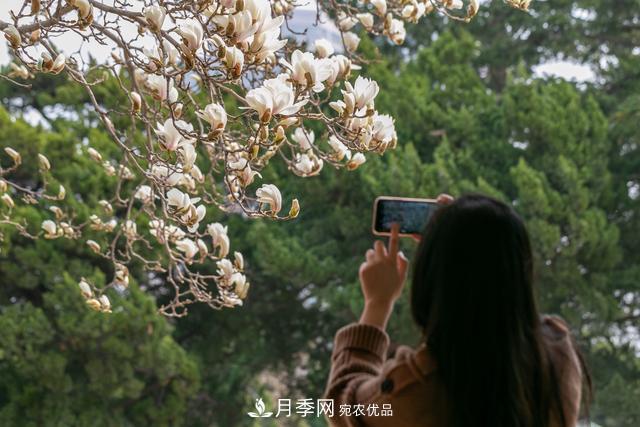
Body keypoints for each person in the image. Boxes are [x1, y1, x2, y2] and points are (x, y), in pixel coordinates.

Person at [323, 193, 592, 427]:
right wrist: (466, 237)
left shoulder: (419, 392)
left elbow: (342, 405)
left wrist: (377, 304)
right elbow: (503, 309)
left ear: (431, 281)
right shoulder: (559, 358)